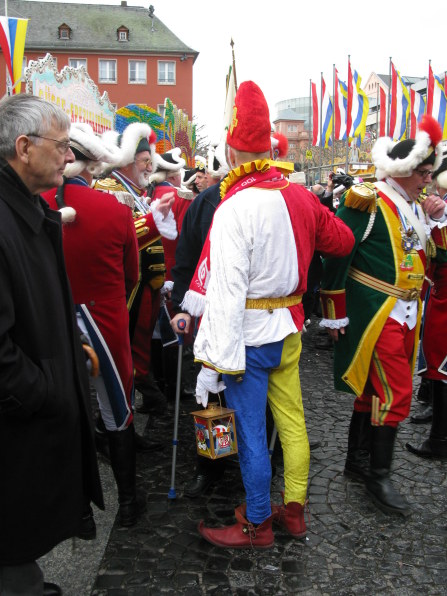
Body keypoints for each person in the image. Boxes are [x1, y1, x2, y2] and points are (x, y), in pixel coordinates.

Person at [180, 81, 354, 548]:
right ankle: (293, 511)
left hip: (250, 338)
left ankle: (256, 522)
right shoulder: (301, 197)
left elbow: (226, 292)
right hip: (289, 330)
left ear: (234, 153)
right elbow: (343, 242)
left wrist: (213, 362)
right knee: (293, 423)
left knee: (252, 431)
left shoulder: (234, 206)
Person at [0, 94, 103, 595]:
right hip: (18, 428)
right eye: (62, 146)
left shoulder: (26, 209)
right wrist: (49, 391)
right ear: (23, 147)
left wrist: (67, 349)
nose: (68, 157)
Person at [320, 115, 444, 517]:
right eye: (424, 172)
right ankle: (379, 474)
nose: (429, 179)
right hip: (377, 310)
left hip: (410, 309)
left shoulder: (415, 205)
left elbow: (433, 259)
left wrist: (437, 220)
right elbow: (337, 254)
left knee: (372, 392)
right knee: (395, 393)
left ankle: (357, 461)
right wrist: (335, 313)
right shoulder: (368, 199)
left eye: (430, 172)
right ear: (404, 171)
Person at [42, 122, 156, 527]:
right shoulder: (115, 210)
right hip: (104, 320)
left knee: (68, 411)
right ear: (95, 165)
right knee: (116, 411)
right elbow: (132, 275)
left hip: (52, 320)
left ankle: (78, 511)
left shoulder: (34, 204)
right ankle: (128, 504)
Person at [95, 123, 176, 414]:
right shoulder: (110, 189)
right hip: (128, 290)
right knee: (126, 352)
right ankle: (119, 421)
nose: (150, 166)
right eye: (145, 160)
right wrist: (156, 218)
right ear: (128, 160)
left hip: (145, 287)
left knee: (136, 351)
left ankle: (130, 412)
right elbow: (123, 237)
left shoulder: (130, 190)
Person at [170, 148, 230, 497]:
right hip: (215, 313)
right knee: (213, 395)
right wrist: (182, 306)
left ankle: (262, 457)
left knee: (261, 392)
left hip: (261, 316)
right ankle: (213, 464)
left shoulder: (276, 194)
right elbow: (187, 258)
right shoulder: (206, 202)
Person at [406, 148, 447, 459]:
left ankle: (439, 440)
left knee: (441, 365)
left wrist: (437, 220)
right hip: (438, 294)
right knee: (436, 363)